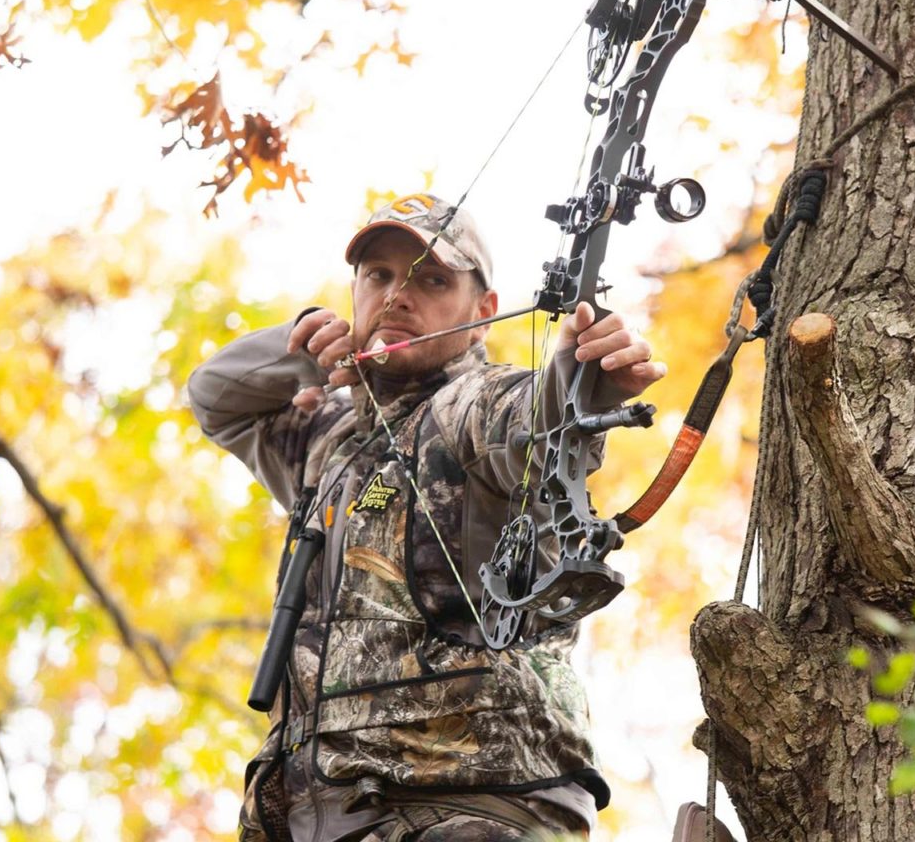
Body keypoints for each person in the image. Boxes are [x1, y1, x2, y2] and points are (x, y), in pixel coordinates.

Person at [187, 192, 666, 842]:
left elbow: (537, 421)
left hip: (474, 806)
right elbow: (214, 396)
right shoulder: (326, 438)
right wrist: (306, 347)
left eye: (431, 279)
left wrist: (584, 375)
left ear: (483, 314)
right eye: (377, 276)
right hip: (319, 816)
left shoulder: (470, 406)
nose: (396, 296)